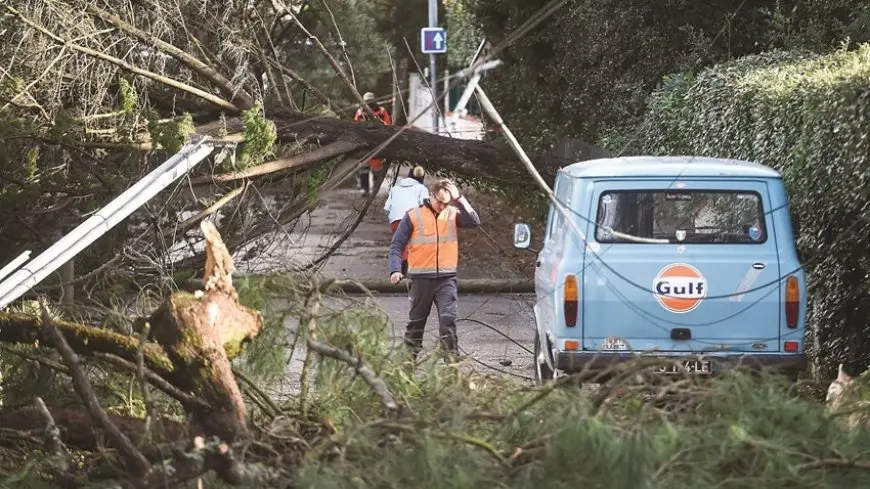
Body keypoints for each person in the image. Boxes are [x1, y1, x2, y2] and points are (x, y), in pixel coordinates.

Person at [388, 179, 481, 361]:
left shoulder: (453, 214)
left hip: (446, 279)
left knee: (448, 321)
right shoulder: (414, 216)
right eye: (439, 201)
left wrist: (459, 198)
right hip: (420, 280)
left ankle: (451, 363)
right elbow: (396, 244)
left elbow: (474, 222)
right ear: (430, 196)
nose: (442, 206)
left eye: (446, 202)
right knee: (416, 324)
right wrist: (395, 270)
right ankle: (408, 363)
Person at [384, 166, 429, 276]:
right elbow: (425, 207)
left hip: (396, 221)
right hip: (413, 220)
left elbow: (386, 208)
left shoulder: (395, 188)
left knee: (399, 246)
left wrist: (393, 217)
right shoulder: (422, 188)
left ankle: (398, 272)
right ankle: (412, 273)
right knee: (414, 247)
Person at [353, 92, 392, 196]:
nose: (369, 103)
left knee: (377, 170)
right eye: (367, 101)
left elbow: (388, 126)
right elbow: (356, 127)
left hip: (378, 144)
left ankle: (375, 190)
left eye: (371, 101)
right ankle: (365, 190)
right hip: (364, 144)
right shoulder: (360, 112)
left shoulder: (381, 111)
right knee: (364, 169)